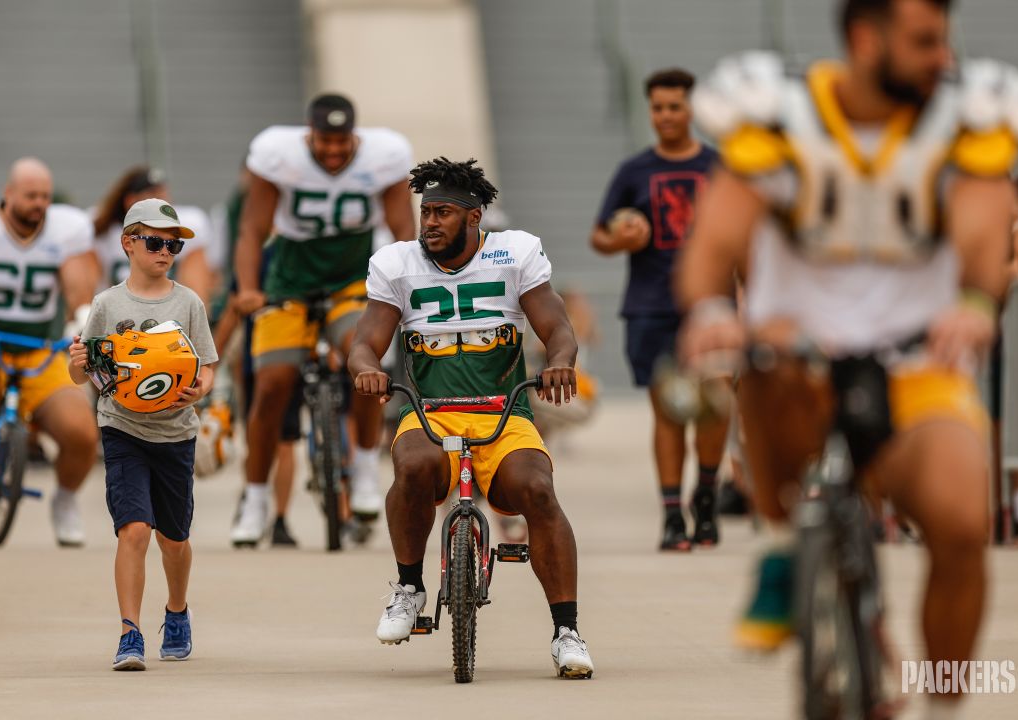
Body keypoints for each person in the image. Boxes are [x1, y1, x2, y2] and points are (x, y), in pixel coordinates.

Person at [677, 0, 1018, 716]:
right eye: (925, 41)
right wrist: (713, 312)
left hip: (917, 366)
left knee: (964, 527)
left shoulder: (963, 119)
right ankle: (786, 547)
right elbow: (717, 235)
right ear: (866, 39)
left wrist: (973, 301)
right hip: (800, 359)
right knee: (768, 366)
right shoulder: (778, 117)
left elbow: (981, 222)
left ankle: (942, 697)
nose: (945, 58)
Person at [349, 157, 594, 679]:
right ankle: (410, 587)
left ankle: (566, 631)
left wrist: (559, 363)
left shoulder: (516, 252)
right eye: (425, 212)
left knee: (539, 491)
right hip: (431, 413)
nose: (430, 222)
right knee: (411, 468)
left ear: (475, 216)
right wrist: (367, 368)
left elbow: (558, 327)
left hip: (504, 412)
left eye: (442, 212)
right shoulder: (396, 262)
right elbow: (365, 342)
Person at [228, 93, 417, 547]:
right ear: (308, 135)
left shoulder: (384, 155)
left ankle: (367, 468)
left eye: (342, 142)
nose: (333, 151)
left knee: (365, 359)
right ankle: (255, 498)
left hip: (353, 277)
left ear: (355, 135)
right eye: (324, 141)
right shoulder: (278, 153)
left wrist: (409, 282)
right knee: (273, 381)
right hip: (290, 278)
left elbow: (403, 230)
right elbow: (253, 228)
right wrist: (249, 287)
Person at [68, 198, 218, 671]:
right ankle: (129, 633)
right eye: (155, 241)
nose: (165, 251)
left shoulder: (188, 302)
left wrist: (198, 391)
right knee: (133, 530)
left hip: (176, 433)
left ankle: (177, 610)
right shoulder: (108, 304)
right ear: (128, 243)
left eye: (172, 244)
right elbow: (86, 373)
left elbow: (207, 365)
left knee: (173, 539)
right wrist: (77, 367)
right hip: (123, 429)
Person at [590, 68, 729, 551]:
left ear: (693, 110)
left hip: (712, 307)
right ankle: (672, 515)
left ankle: (706, 496)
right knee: (668, 414)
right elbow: (598, 234)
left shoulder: (721, 167)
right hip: (651, 306)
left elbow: (747, 239)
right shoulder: (634, 172)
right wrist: (619, 237)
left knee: (714, 407)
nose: (666, 116)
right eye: (658, 107)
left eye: (675, 106)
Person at [0, 157, 99, 547]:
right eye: (30, 195)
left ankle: (66, 499)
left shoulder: (65, 229)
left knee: (81, 432)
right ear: (8, 194)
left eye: (44, 195)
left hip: (39, 348)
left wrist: (82, 313)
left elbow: (76, 278)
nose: (39, 203)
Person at [89, 166, 214, 303]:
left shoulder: (187, 223)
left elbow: (198, 284)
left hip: (171, 312)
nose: (163, 199)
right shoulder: (102, 230)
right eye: (154, 243)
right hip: (117, 313)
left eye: (173, 244)